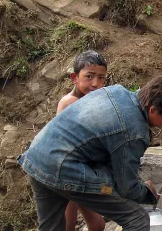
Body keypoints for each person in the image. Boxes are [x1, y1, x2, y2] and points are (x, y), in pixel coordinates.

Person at [18, 73, 162, 231]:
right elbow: (127, 189)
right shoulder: (134, 132)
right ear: (153, 109)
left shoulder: (115, 92)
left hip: (37, 158)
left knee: (51, 227)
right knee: (137, 219)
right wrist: (147, 192)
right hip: (64, 168)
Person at [57, 50, 108, 231]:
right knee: (67, 225)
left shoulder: (89, 101)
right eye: (89, 76)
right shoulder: (70, 102)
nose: (96, 83)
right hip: (65, 172)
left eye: (101, 78)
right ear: (74, 77)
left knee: (97, 224)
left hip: (81, 172)